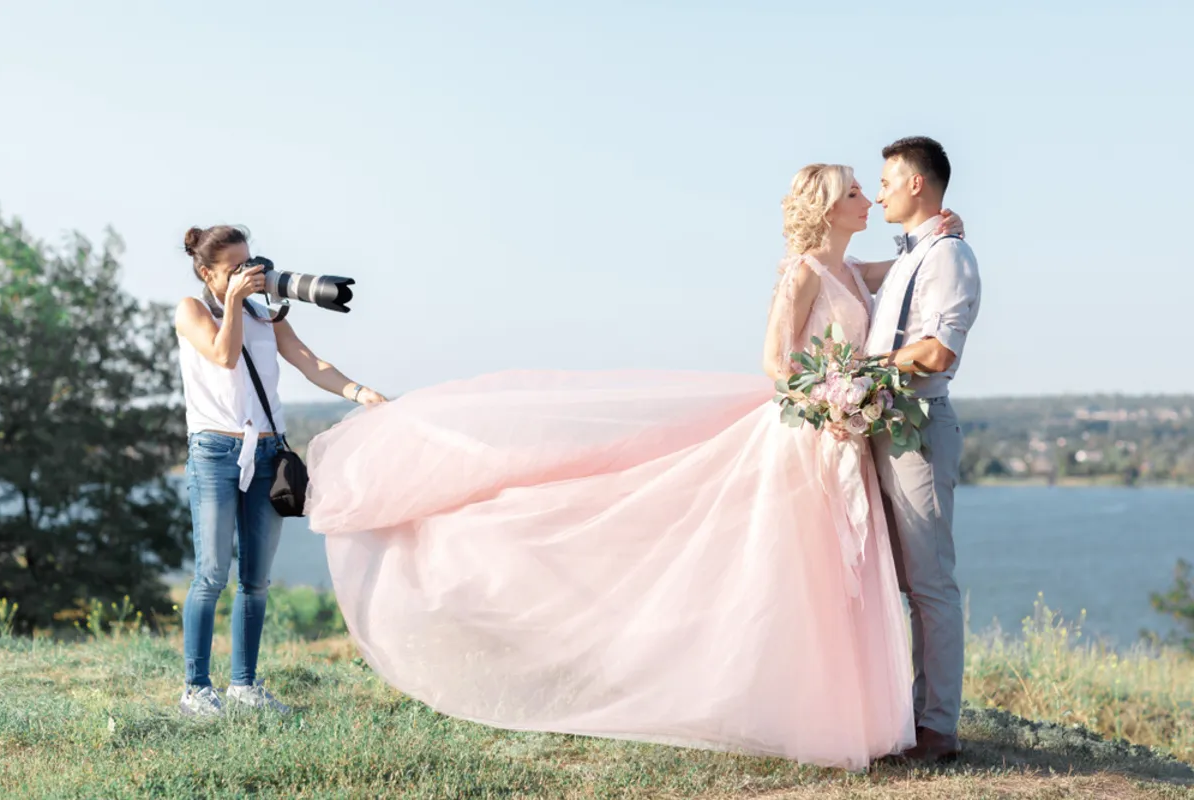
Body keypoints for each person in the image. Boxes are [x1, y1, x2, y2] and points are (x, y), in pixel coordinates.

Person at [304, 168, 963, 770]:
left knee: (840, 577)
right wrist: (833, 399)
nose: (867, 199)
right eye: (853, 191)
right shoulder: (802, 274)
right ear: (826, 208)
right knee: (804, 576)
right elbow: (776, 364)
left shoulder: (854, 271)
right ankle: (798, 711)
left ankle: (856, 719)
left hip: (842, 437)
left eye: (867, 187)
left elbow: (904, 270)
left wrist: (942, 229)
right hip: (808, 437)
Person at [174, 224, 387, 717]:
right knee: (210, 574)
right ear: (207, 272)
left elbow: (310, 363)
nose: (249, 274)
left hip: (268, 455)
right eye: (234, 268)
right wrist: (232, 301)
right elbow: (224, 356)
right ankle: (195, 689)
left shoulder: (264, 314)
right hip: (215, 454)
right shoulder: (192, 310)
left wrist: (361, 393)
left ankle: (244, 686)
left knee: (256, 580)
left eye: (250, 263)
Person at [866, 136, 981, 763]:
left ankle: (938, 728)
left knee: (930, 584)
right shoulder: (912, 254)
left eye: (886, 179)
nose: (878, 190)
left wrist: (860, 368)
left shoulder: (950, 257)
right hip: (879, 429)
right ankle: (901, 715)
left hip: (918, 430)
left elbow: (938, 353)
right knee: (891, 579)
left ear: (916, 183)